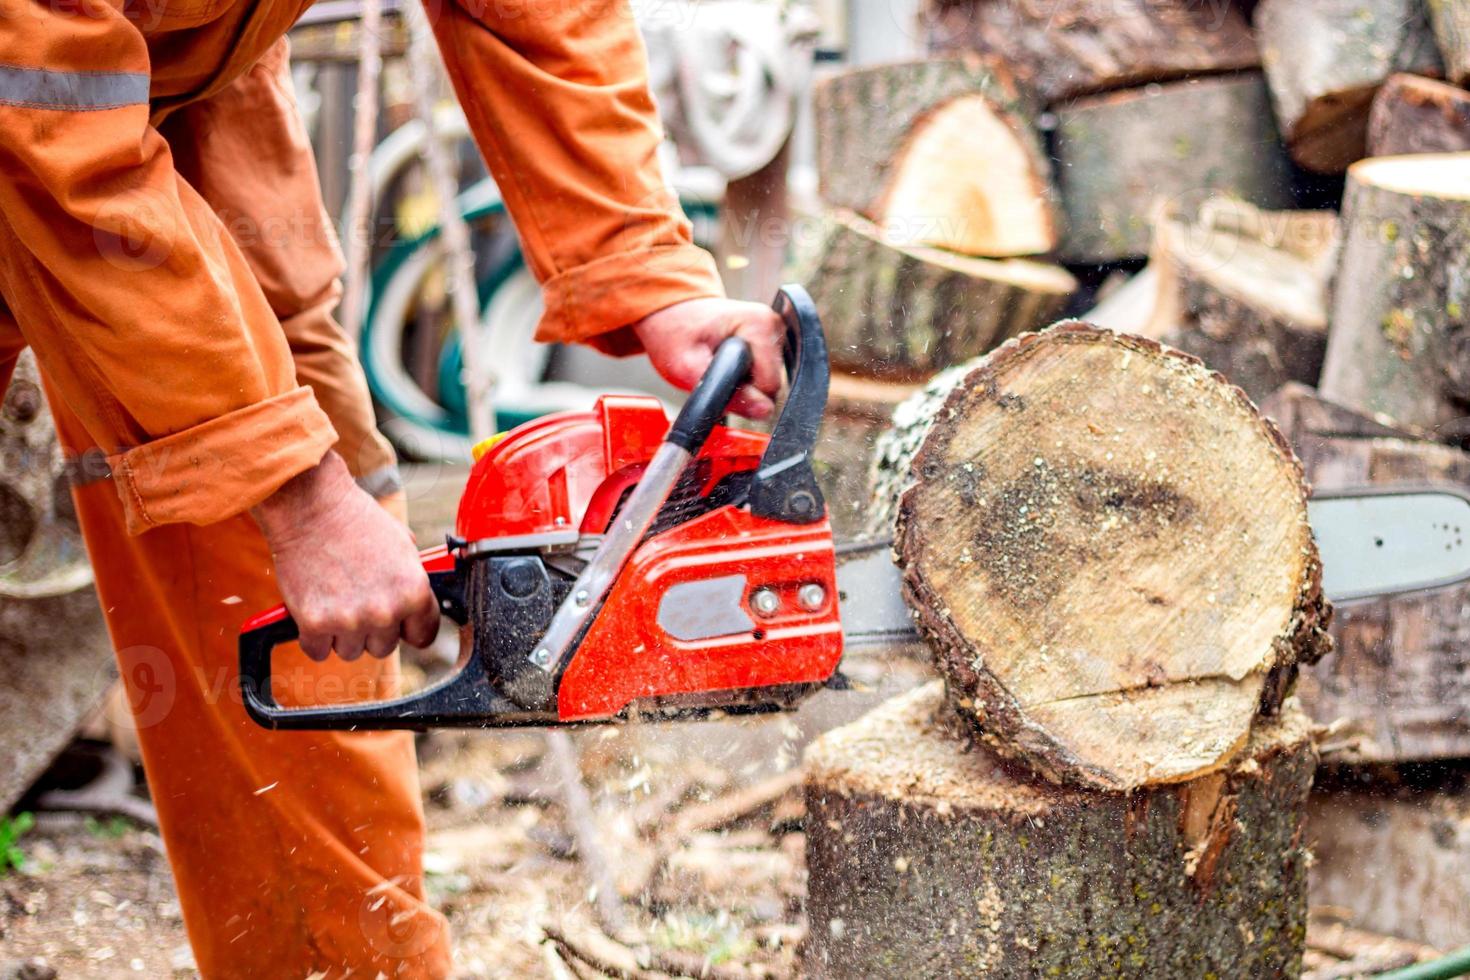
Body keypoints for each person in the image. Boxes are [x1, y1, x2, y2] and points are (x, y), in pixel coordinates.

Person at [0, 0, 784, 974]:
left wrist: (642, 268)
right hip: (48, 99)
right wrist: (292, 487)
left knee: (286, 623)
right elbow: (38, 99)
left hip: (178, 91)